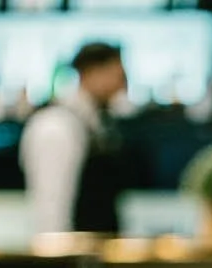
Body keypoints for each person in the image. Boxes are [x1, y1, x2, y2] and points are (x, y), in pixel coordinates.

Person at [19, 42, 134, 236]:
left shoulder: (97, 123)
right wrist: (57, 258)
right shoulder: (57, 125)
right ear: (92, 72)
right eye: (118, 77)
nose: (122, 87)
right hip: (73, 257)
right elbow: (51, 205)